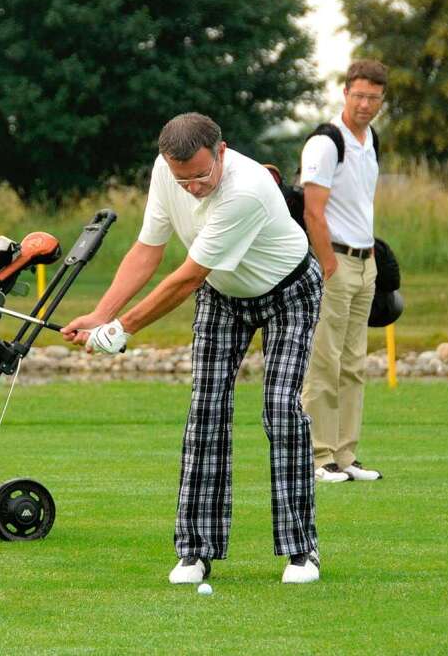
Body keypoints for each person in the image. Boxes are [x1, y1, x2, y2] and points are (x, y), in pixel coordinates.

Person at [61, 113, 324, 584]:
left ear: (221, 152)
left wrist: (123, 329)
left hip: (290, 291)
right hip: (224, 296)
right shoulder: (168, 172)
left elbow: (186, 278)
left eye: (202, 175)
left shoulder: (247, 189)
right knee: (205, 409)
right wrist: (103, 315)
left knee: (281, 408)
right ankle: (195, 551)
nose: (194, 187)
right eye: (184, 179)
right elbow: (148, 250)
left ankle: (301, 551)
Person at [299, 59, 387, 483]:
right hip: (333, 263)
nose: (366, 104)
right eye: (359, 95)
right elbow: (313, 211)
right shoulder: (326, 142)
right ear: (345, 93)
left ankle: (346, 455)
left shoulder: (372, 140)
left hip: (365, 262)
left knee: (354, 363)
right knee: (325, 361)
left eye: (374, 97)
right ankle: (318, 458)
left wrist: (371, 260)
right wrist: (327, 264)